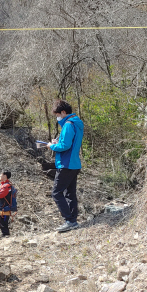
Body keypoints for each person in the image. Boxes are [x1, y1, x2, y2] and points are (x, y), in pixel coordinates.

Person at [47, 100, 84, 233]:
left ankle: (69, 220)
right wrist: (58, 142)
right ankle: (72, 220)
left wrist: (52, 146)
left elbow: (65, 146)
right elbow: (69, 143)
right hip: (74, 164)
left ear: (63, 112)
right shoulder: (77, 123)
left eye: (58, 114)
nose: (57, 117)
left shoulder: (68, 125)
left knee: (56, 193)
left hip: (66, 164)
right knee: (70, 193)